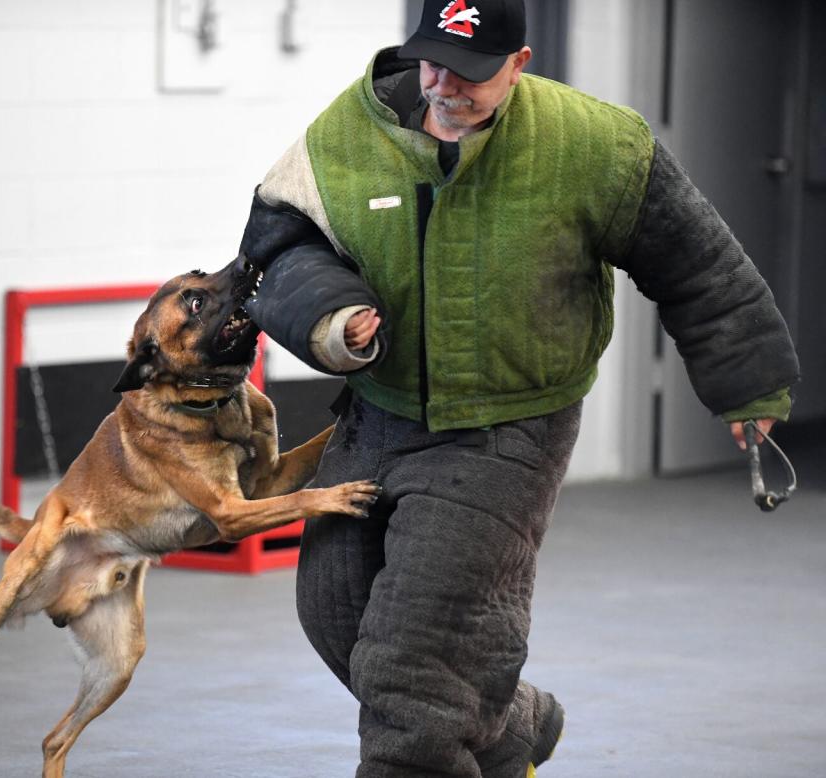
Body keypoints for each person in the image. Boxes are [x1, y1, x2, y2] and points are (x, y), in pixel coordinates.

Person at [237, 1, 800, 775]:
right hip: (378, 415)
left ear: (520, 63)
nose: (445, 86)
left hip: (509, 430)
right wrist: (330, 315)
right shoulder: (348, 130)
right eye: (433, 62)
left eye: (471, 74)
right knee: (337, 615)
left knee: (415, 669)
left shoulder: (595, 144)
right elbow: (280, 247)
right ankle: (511, 732)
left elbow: (697, 265)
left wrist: (752, 382)